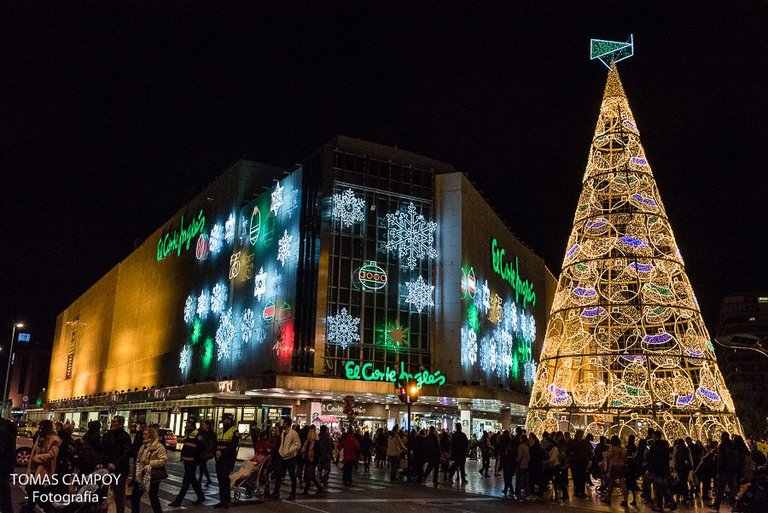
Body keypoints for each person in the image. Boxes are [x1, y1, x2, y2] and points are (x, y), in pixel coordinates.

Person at [169, 418, 206, 507]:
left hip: (192, 461)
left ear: (192, 424)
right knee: (192, 480)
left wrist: (195, 459)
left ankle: (178, 501)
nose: (186, 424)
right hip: (187, 460)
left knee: (186, 481)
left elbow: (201, 448)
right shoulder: (188, 433)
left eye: (188, 423)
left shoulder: (197, 434)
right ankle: (201, 497)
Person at [25, 420, 61, 513]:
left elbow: (52, 455)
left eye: (42, 427)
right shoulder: (41, 437)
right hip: (35, 469)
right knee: (35, 492)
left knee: (39, 493)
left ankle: (31, 508)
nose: (40, 429)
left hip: (44, 469)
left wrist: (37, 458)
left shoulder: (54, 439)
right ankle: (31, 507)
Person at [132, 426, 168, 513]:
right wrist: (138, 472)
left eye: (145, 434)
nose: (143, 436)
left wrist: (150, 463)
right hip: (142, 474)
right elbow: (138, 460)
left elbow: (163, 460)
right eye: (143, 434)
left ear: (151, 435)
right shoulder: (143, 446)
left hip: (152, 476)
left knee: (152, 497)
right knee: (136, 496)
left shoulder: (159, 446)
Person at [101, 415, 132, 513]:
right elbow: (103, 450)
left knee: (119, 494)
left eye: (115, 422)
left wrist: (115, 464)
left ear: (121, 423)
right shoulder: (107, 435)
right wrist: (103, 463)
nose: (113, 424)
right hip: (107, 468)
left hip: (120, 469)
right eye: (112, 422)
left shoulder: (125, 436)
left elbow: (126, 452)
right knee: (104, 492)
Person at [214, 413, 240, 508]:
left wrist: (222, 452)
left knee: (225, 479)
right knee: (220, 479)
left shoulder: (234, 431)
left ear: (229, 420)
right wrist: (216, 452)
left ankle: (227, 500)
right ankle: (222, 500)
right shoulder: (220, 430)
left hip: (228, 459)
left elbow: (232, 446)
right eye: (223, 419)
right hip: (219, 459)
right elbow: (216, 443)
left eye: (225, 419)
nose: (223, 421)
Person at [646, 429, 675, 512]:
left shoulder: (654, 445)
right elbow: (668, 456)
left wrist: (649, 469)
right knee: (665, 486)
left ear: (655, 436)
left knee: (658, 488)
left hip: (656, 469)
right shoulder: (665, 444)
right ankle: (671, 502)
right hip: (665, 469)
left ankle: (659, 505)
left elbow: (650, 458)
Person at [710, 431, 739, 511]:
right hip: (733, 469)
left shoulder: (722, 446)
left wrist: (719, 470)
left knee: (721, 488)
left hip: (724, 470)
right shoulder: (733, 445)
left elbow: (721, 459)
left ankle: (717, 504)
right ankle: (738, 502)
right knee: (733, 488)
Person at [273, 417, 300, 500]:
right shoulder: (283, 433)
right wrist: (280, 452)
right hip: (282, 457)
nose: (282, 424)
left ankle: (293, 494)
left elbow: (297, 445)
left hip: (290, 457)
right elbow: (282, 444)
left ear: (287, 424)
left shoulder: (294, 433)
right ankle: (276, 492)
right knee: (278, 474)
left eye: (284, 423)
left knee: (292, 476)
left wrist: (289, 452)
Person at [601, 435, 627, 506]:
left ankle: (608, 499)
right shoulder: (622, 449)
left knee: (611, 482)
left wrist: (606, 455)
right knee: (622, 483)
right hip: (621, 466)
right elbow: (625, 458)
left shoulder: (612, 448)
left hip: (614, 466)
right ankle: (625, 500)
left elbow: (609, 456)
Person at [566, 429, 592, 498]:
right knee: (577, 477)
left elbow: (589, 452)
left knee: (581, 477)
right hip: (576, 462)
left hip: (581, 462)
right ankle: (578, 491)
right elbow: (568, 451)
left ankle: (580, 491)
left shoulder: (582, 442)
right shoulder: (575, 442)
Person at [0, 417, 18, 513]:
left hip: (2, 467)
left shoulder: (3, 428)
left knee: (4, 498)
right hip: (5, 467)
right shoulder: (7, 426)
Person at [299, 425, 323, 494]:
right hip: (307, 460)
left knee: (309, 475)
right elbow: (304, 449)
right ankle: (319, 487)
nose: (308, 434)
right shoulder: (308, 441)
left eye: (309, 433)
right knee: (311, 476)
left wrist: (313, 455)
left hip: (313, 461)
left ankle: (306, 490)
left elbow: (319, 452)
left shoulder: (316, 443)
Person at [672, 438, 693, 505]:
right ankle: (685, 496)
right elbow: (690, 457)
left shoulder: (676, 448)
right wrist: (691, 465)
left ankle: (682, 494)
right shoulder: (687, 449)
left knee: (681, 481)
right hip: (686, 468)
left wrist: (673, 467)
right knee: (684, 481)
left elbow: (674, 458)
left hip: (679, 467)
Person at [197, 420, 216, 487]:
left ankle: (200, 481)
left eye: (204, 425)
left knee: (202, 466)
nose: (203, 426)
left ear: (208, 425)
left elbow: (210, 445)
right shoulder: (202, 432)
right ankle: (208, 480)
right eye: (202, 425)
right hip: (202, 452)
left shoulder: (211, 433)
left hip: (206, 453)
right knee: (203, 467)